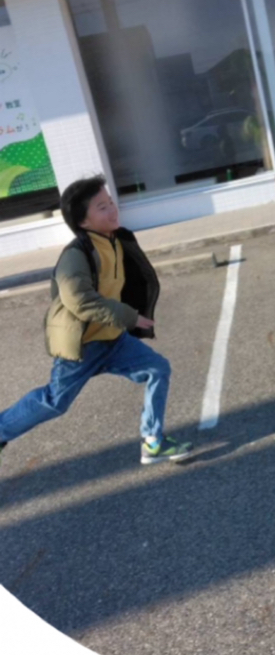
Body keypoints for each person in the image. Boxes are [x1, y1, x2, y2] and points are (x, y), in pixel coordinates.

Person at [0, 175, 193, 469]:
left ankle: (153, 442)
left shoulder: (117, 240)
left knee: (157, 369)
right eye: (102, 207)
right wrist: (130, 316)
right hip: (84, 345)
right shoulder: (76, 255)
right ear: (83, 221)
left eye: (111, 202)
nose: (113, 209)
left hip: (114, 339)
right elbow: (79, 299)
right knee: (55, 402)